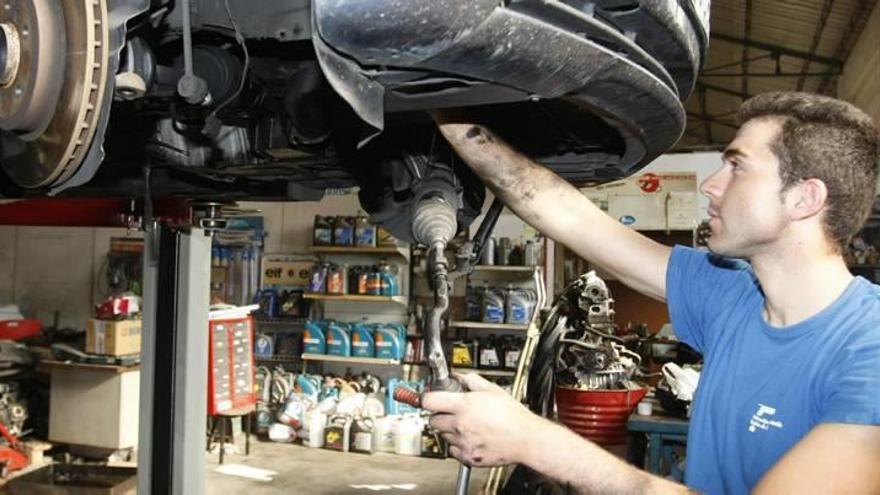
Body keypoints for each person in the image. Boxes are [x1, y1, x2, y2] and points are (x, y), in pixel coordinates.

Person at [422, 92, 880, 494]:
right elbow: (564, 213)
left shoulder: (869, 349)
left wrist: (531, 440)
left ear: (805, 198)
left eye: (737, 166)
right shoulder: (729, 291)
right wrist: (444, 103)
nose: (711, 184)